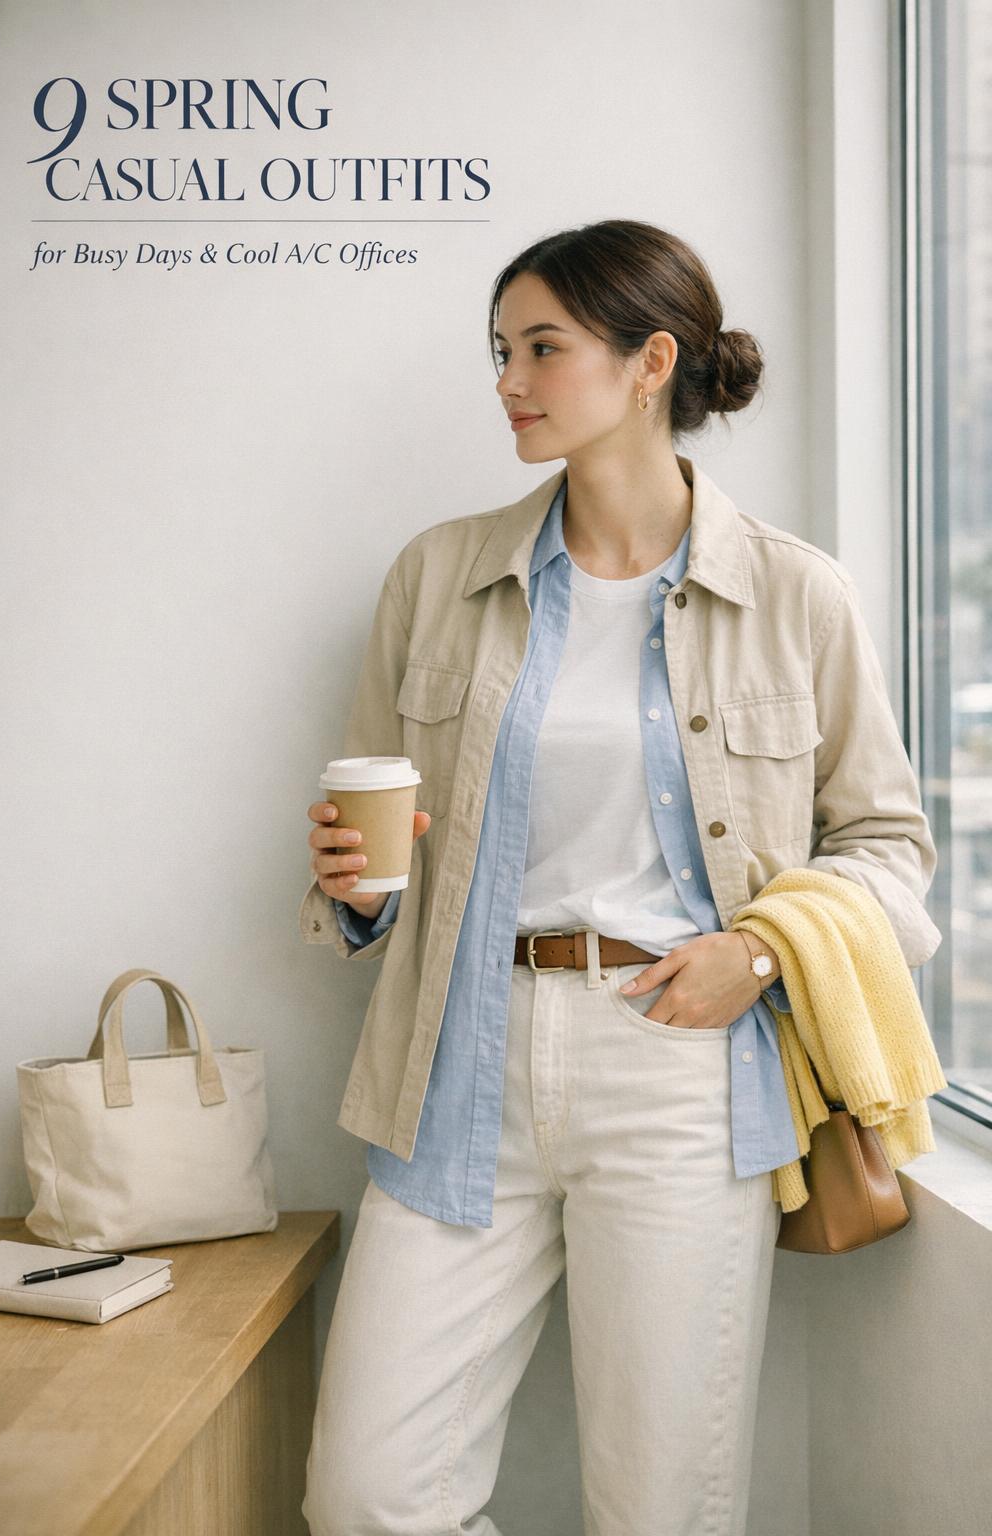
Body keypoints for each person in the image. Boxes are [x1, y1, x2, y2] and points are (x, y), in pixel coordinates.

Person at [298, 219, 940, 1536]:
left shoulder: (796, 595)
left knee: (663, 1508)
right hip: (456, 1054)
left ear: (650, 364)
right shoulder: (437, 575)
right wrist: (360, 889)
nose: (509, 380)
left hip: (678, 1064)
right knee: (367, 1492)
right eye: (500, 350)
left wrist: (755, 954)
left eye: (543, 346)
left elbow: (891, 852)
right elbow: (381, 863)